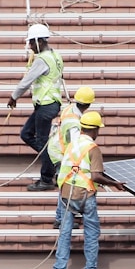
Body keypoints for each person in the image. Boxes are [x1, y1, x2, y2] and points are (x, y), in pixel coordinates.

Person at [52, 111, 125, 269]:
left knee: (64, 234)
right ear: (95, 130)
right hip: (85, 194)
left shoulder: (72, 144)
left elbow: (67, 168)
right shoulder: (93, 148)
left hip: (66, 193)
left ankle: (59, 268)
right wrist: (115, 184)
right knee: (91, 233)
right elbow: (96, 176)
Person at [7, 24, 64, 191]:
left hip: (46, 105)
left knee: (42, 142)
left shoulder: (42, 59)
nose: (30, 47)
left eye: (32, 43)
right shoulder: (55, 55)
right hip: (48, 104)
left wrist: (13, 97)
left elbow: (27, 80)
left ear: (40, 41)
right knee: (26, 134)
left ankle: (46, 179)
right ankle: (54, 161)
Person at [49, 86, 95, 229]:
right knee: (65, 183)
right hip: (61, 153)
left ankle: (60, 217)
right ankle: (60, 219)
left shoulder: (70, 109)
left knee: (65, 182)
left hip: (58, 148)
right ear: (88, 104)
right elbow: (76, 145)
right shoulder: (74, 124)